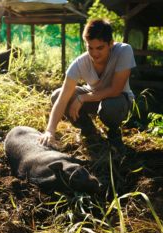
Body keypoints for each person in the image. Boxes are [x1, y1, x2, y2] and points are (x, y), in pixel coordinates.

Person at [39, 18, 136, 149]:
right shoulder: (80, 63)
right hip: (94, 97)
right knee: (57, 95)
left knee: (111, 105)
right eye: (90, 47)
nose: (95, 53)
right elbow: (62, 99)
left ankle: (113, 132)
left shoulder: (124, 51)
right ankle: (89, 131)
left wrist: (83, 97)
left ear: (111, 44)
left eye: (100, 48)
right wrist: (50, 131)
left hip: (119, 101)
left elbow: (116, 89)